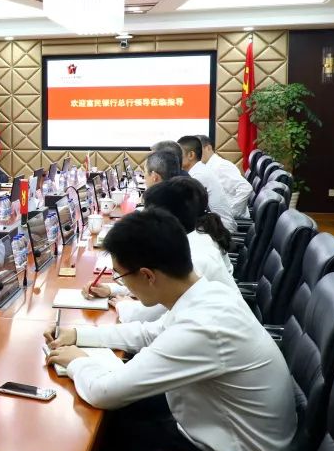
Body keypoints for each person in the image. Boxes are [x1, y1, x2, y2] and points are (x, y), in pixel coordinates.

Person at [45, 209, 295, 451]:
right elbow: (150, 334)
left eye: (121, 277)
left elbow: (105, 392)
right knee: (109, 432)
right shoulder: (207, 294)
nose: (121, 285)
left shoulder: (204, 327)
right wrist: (79, 335)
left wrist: (77, 360)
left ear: (148, 276)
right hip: (216, 440)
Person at [87, 177, 239, 323]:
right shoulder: (195, 237)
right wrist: (111, 290)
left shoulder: (196, 257)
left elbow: (149, 315)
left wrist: (123, 306)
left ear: (166, 219)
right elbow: (155, 284)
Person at [178, 135, 238, 232]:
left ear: (191, 155)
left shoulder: (198, 176)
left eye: (179, 154)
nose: (176, 158)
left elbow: (189, 211)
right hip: (214, 225)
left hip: (221, 230)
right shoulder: (199, 170)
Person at [198, 134, 253, 219]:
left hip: (228, 220)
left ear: (208, 148)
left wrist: (230, 212)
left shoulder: (220, 166)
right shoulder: (207, 166)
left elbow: (246, 188)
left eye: (198, 150)